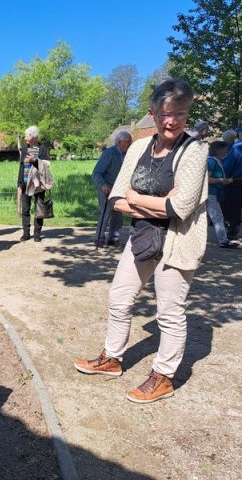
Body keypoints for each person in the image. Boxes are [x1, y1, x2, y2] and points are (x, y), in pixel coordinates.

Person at [74, 78, 209, 404]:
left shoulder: (195, 150)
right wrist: (154, 202)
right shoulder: (137, 148)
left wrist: (140, 199)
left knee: (169, 312)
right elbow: (118, 199)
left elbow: (181, 207)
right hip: (143, 236)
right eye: (165, 114)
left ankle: (164, 376)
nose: (172, 121)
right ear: (152, 114)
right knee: (120, 297)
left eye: (180, 113)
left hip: (178, 241)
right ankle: (112, 359)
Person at [92, 131, 132, 247]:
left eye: (130, 141)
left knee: (118, 216)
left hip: (120, 189)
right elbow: (96, 173)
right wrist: (103, 185)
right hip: (107, 188)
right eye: (128, 142)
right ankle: (99, 238)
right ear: (120, 142)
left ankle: (113, 239)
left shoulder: (127, 154)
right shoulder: (109, 153)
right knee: (105, 214)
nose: (130, 143)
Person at [206, 141, 238, 248]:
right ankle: (223, 241)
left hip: (213, 193)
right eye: (225, 150)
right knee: (218, 217)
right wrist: (221, 180)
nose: (226, 152)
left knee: (212, 217)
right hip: (211, 194)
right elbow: (207, 179)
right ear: (219, 151)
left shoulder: (215, 161)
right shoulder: (212, 162)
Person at [17, 126, 46, 242]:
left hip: (39, 184)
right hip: (25, 183)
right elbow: (21, 166)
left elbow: (46, 165)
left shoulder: (43, 148)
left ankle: (37, 233)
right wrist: (19, 184)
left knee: (39, 208)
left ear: (33, 136)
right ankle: (26, 233)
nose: (25, 137)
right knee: (25, 209)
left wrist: (35, 161)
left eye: (26, 135)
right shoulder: (24, 149)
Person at [222, 132, 242, 240]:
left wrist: (224, 178)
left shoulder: (237, 147)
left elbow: (228, 165)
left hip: (237, 182)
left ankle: (233, 232)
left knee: (235, 207)